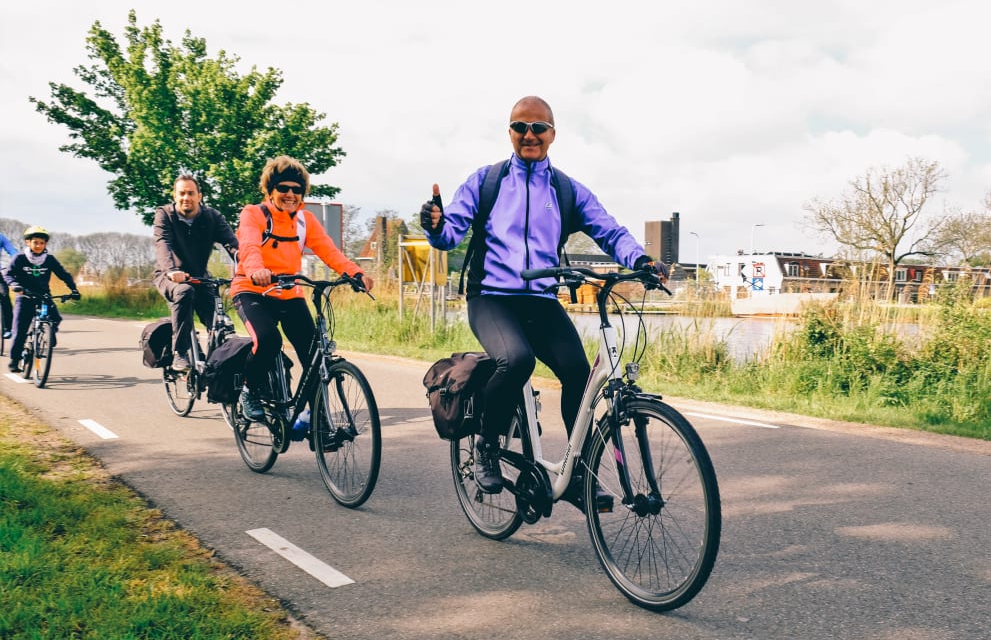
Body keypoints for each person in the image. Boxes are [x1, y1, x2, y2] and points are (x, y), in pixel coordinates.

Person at [421, 95, 668, 497]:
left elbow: (608, 229)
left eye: (538, 127)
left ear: (552, 134)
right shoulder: (486, 182)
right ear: (510, 133)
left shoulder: (566, 190)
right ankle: (486, 444)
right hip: (491, 297)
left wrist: (639, 258)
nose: (529, 134)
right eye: (521, 127)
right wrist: (434, 225)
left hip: (540, 299)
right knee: (516, 360)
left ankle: (575, 472)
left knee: (577, 373)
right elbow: (449, 234)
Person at [231, 156, 374, 421]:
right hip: (253, 290)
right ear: (270, 190)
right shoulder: (253, 214)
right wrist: (255, 270)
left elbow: (329, 251)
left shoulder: (305, 221)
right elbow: (249, 246)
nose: (290, 194)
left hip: (289, 292)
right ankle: (249, 390)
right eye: (283, 188)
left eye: (297, 190)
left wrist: (355, 272)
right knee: (268, 340)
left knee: (313, 356)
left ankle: (319, 424)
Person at [153, 174, 239, 371]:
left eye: (191, 193)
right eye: (182, 193)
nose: (186, 198)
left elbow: (232, 244)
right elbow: (162, 243)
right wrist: (171, 270)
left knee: (218, 322)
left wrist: (247, 265)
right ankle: (180, 353)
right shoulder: (165, 215)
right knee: (184, 292)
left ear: (199, 196)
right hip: (169, 276)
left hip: (200, 277)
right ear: (174, 195)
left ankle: (217, 366)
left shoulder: (212, 217)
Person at [5, 227, 80, 371]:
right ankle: (14, 360)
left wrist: (73, 289)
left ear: (45, 244)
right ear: (28, 242)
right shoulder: (20, 258)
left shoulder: (49, 259)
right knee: (19, 330)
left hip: (43, 296)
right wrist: (14, 285)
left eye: (42, 243)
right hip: (24, 296)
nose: (38, 245)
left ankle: (50, 332)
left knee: (55, 318)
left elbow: (63, 274)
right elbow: (8, 274)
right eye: (35, 242)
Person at [0, 231, 18, 339]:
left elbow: (12, 250)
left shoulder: (1, 237)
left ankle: (8, 328)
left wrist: (19, 260)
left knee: (4, 296)